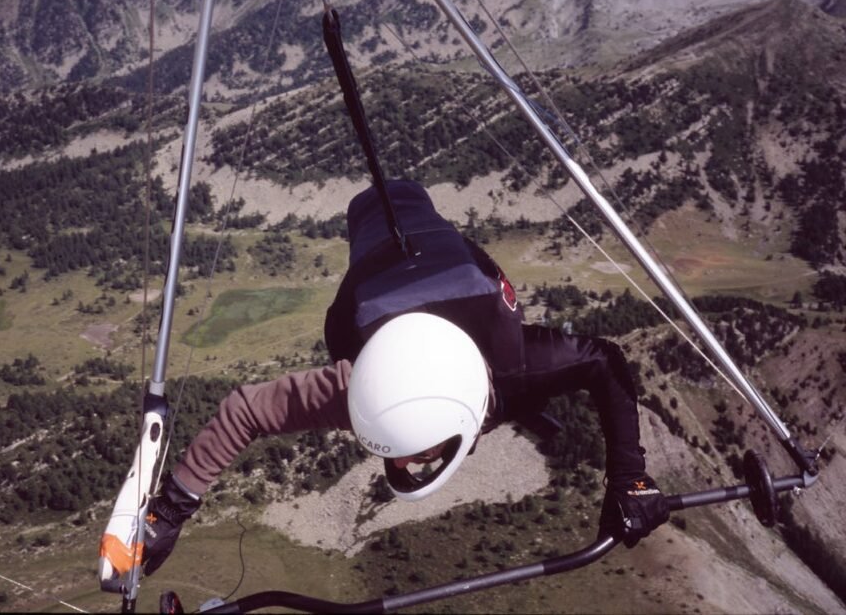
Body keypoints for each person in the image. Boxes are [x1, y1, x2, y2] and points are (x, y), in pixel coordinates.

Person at [139, 180, 669, 578]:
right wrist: (172, 509)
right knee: (354, 299)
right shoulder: (358, 382)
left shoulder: (516, 360)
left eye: (417, 454)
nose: (409, 462)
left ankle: (511, 402)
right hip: (375, 283)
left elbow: (606, 360)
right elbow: (247, 411)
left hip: (464, 312)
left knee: (519, 384)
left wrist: (630, 477)